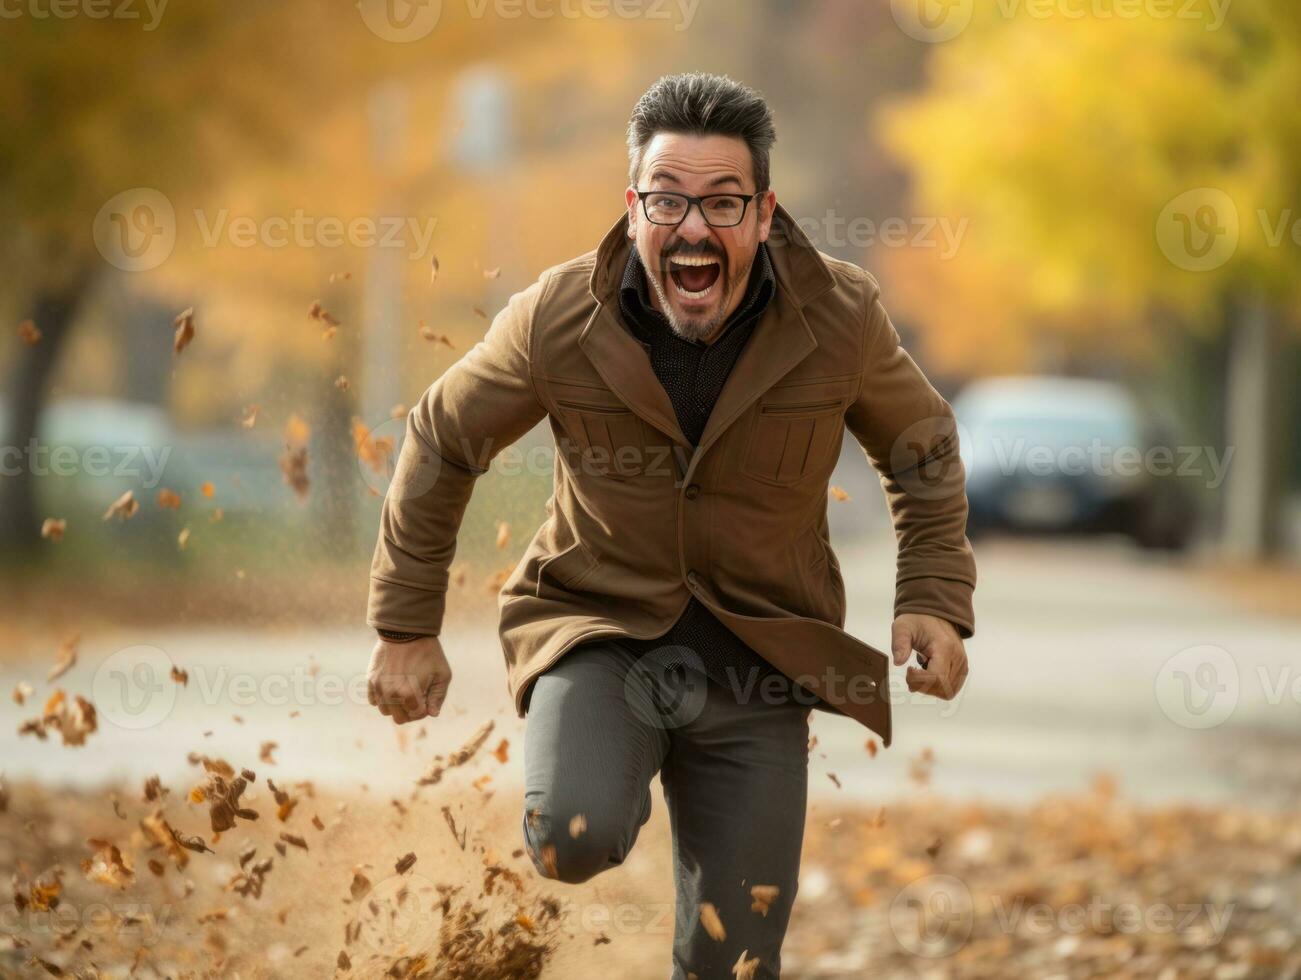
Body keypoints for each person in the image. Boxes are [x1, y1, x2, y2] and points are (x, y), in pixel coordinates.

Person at [365, 71, 976, 979]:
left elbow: (920, 446)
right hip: (601, 632)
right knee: (574, 833)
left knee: (736, 957)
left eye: (722, 204)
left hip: (760, 662)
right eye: (668, 200)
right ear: (634, 206)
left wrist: (932, 596)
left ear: (764, 214)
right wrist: (405, 628)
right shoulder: (559, 315)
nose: (693, 227)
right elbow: (442, 436)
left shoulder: (840, 317)